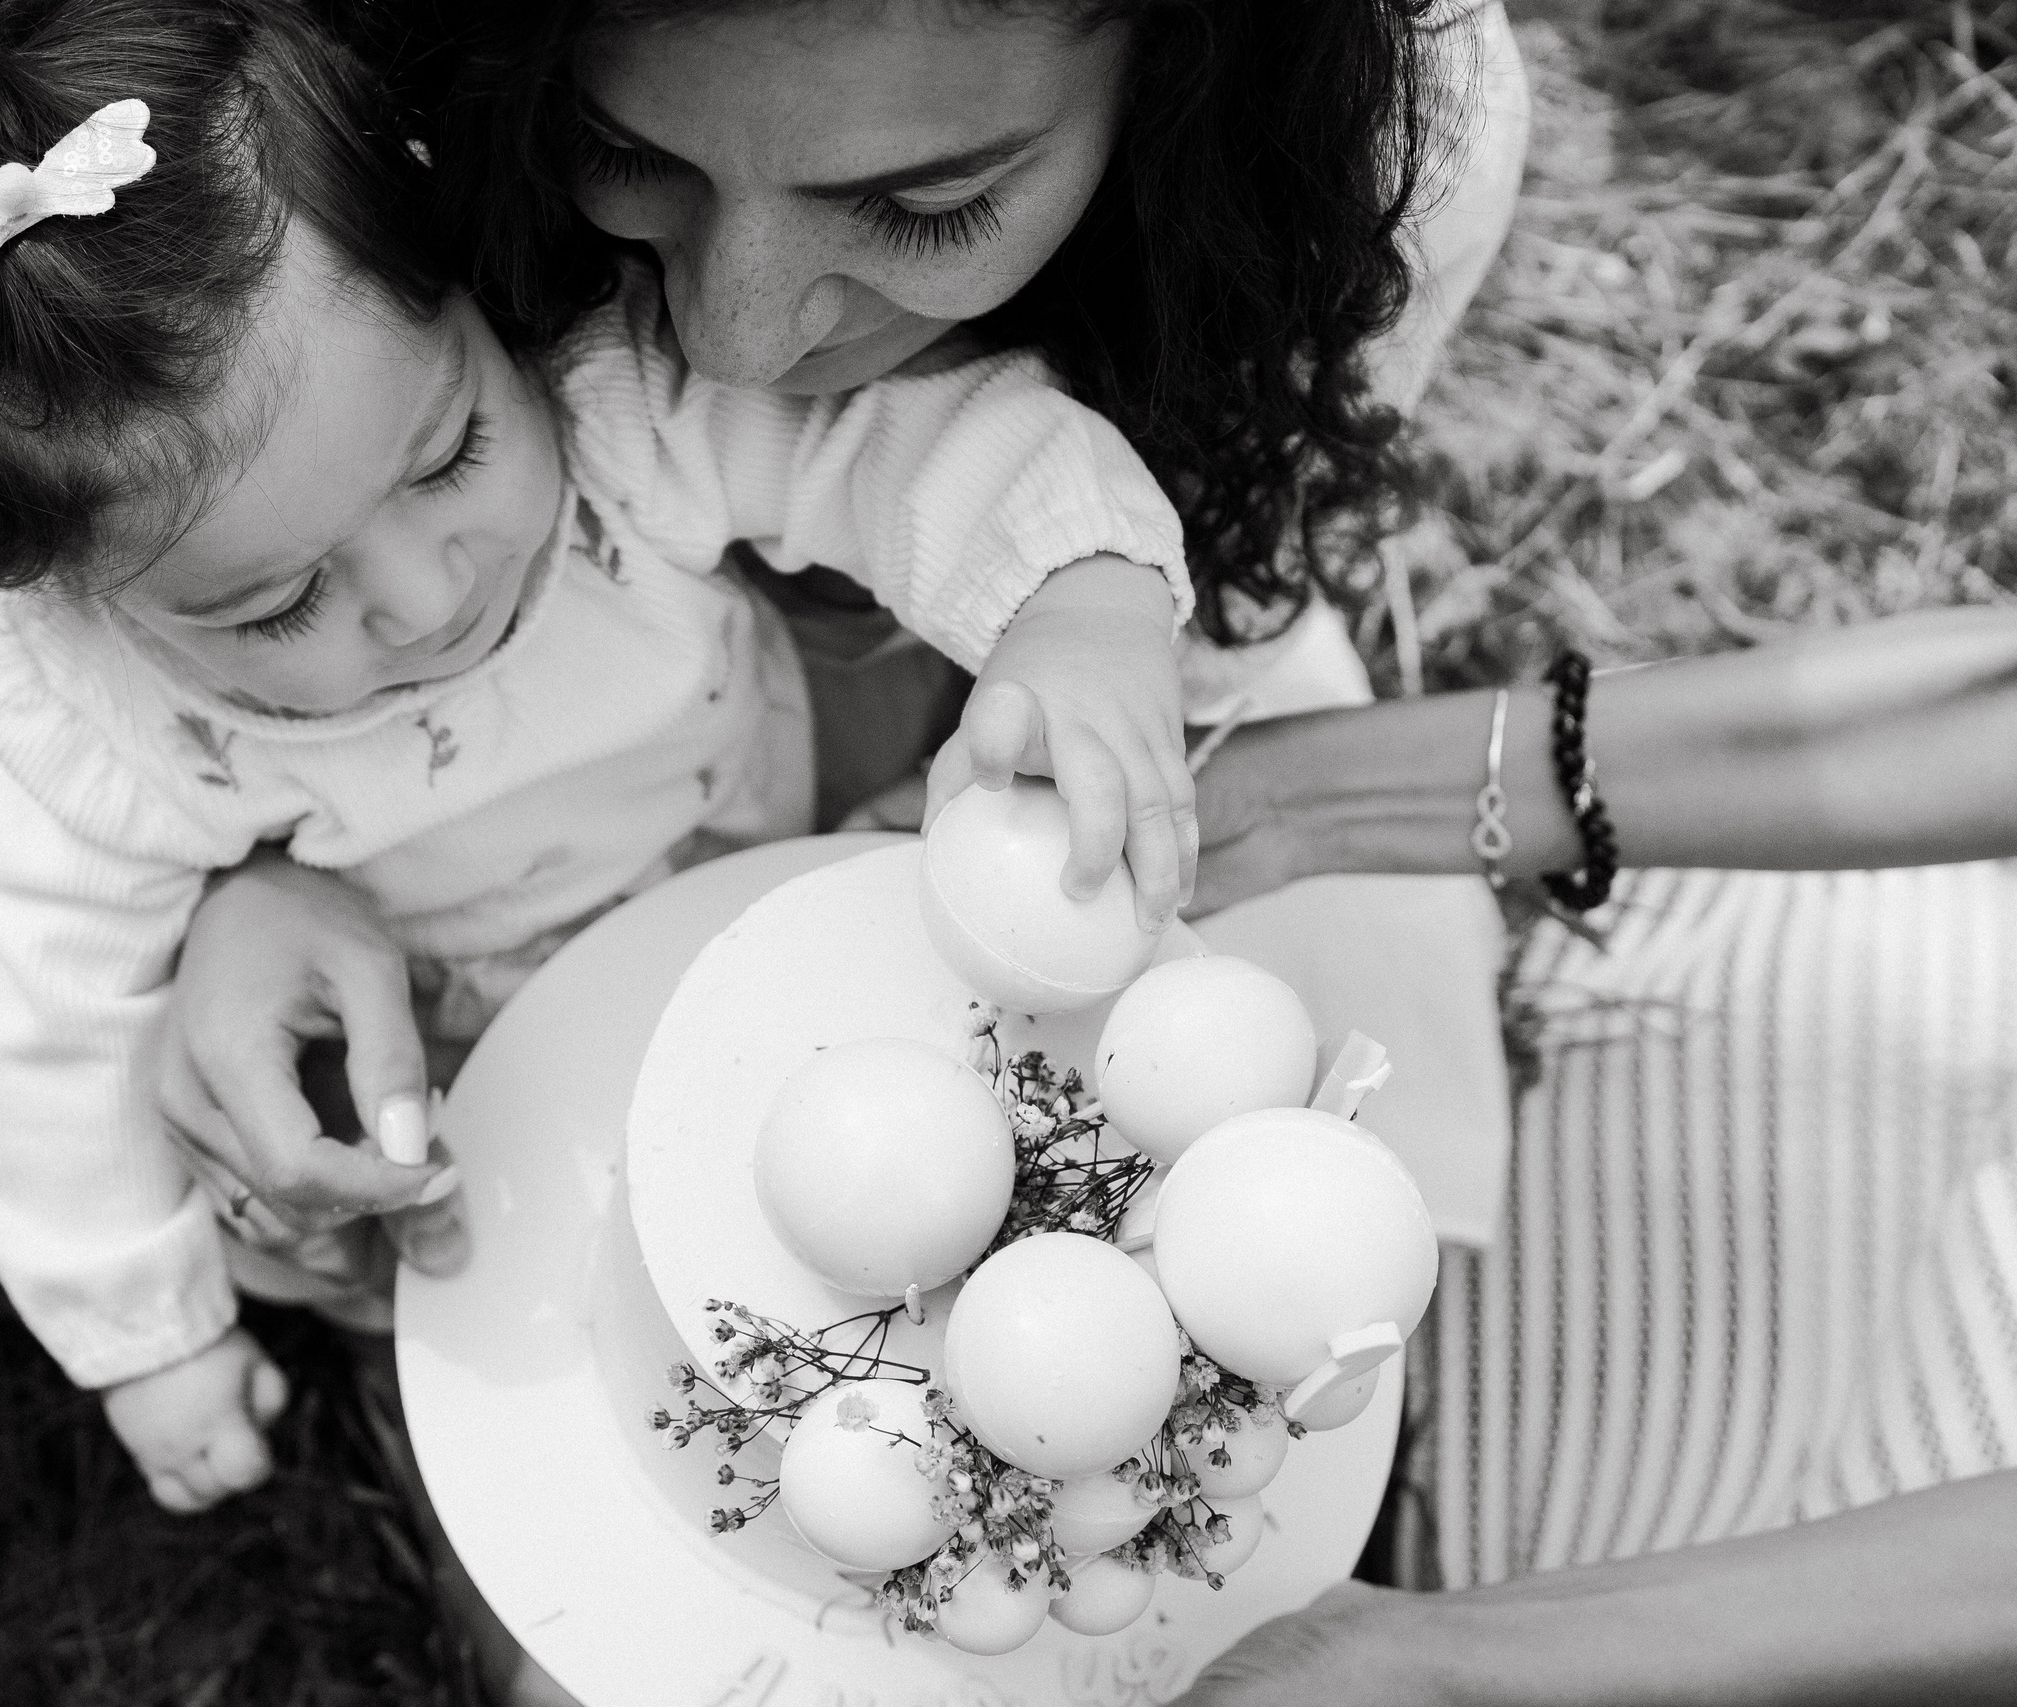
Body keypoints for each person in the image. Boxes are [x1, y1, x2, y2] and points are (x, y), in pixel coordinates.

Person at [160, 0, 2017, 1694]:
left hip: (1055, 668)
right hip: (684, 790)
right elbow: (139, 580)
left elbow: (1139, 606)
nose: (735, 336)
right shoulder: (303, 179)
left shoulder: (1370, 142)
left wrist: (1478, 1666)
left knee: (1304, 1351)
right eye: (629, 151)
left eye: (925, 202)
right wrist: (280, 816)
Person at [0, 0, 1195, 1510]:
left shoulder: (616, 423)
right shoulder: (103, 713)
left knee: (835, 1168)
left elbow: (905, 446)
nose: (425, 591)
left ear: (462, 287)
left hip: (733, 889)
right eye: (279, 603)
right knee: (415, 1240)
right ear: (69, 595)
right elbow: (46, 1015)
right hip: (461, 1049)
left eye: (450, 453)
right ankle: (491, 1410)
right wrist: (145, 1332)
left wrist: (1079, 596)